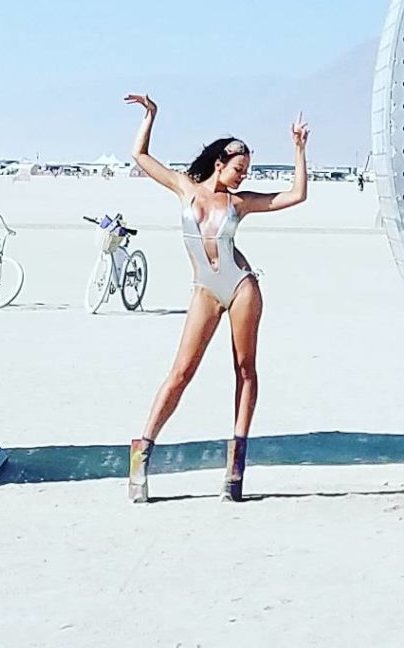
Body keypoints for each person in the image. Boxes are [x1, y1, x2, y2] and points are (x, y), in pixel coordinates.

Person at [124, 93, 309, 504]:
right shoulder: (184, 187)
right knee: (181, 372)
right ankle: (141, 455)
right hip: (205, 290)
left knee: (245, 369)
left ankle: (235, 467)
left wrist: (298, 150)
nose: (243, 177)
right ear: (219, 163)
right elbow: (140, 155)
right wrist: (151, 115)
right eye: (239, 169)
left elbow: (296, 195)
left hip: (241, 286)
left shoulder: (239, 203)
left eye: (247, 171)